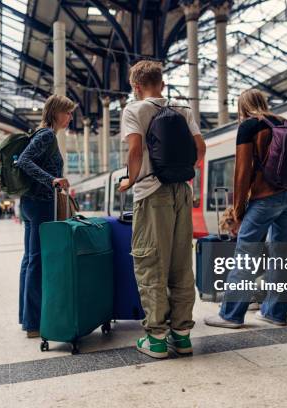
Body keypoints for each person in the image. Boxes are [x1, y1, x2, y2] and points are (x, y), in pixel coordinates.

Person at [119, 60, 206, 359]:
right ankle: (182, 336)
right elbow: (201, 149)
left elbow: (134, 149)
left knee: (151, 262)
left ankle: (156, 338)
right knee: (182, 264)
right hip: (182, 190)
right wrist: (180, 171)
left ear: (136, 86)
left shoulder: (134, 109)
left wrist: (129, 181)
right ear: (163, 84)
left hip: (151, 192)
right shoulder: (182, 110)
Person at [205, 89, 287, 329]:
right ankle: (275, 313)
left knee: (246, 255)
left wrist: (238, 210)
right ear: (263, 102)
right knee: (282, 256)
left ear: (242, 107)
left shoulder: (249, 126)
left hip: (265, 198)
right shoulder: (285, 123)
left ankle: (230, 314)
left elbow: (242, 173)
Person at [16, 94, 75, 338]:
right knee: (36, 261)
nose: (70, 117)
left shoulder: (43, 134)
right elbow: (24, 161)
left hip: (31, 203)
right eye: (67, 112)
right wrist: (52, 179)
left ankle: (27, 318)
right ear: (55, 112)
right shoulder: (47, 135)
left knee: (29, 260)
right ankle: (33, 323)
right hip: (40, 204)